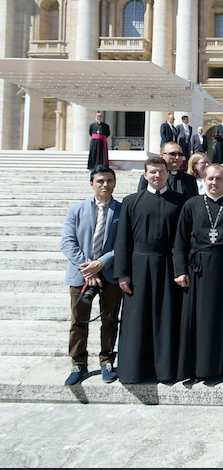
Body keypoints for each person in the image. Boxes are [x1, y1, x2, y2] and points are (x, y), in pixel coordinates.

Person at [173, 164, 223, 380]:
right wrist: (180, 270)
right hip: (197, 270)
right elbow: (180, 241)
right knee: (198, 319)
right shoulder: (191, 205)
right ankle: (197, 367)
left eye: (219, 179)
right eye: (210, 178)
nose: (214, 182)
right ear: (203, 180)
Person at [114, 157, 186, 384]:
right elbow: (122, 240)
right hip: (137, 269)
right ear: (145, 175)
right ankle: (134, 370)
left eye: (161, 172)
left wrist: (180, 269)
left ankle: (164, 371)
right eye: (152, 172)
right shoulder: (131, 201)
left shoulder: (180, 202)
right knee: (136, 319)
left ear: (167, 174)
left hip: (167, 265)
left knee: (166, 317)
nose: (157, 176)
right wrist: (122, 273)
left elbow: (183, 241)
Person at [60, 165, 123, 385]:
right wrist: (86, 268)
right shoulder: (76, 210)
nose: (105, 184)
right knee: (78, 321)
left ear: (114, 183)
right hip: (81, 276)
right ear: (92, 184)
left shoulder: (122, 210)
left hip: (110, 275)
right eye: (100, 181)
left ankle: (107, 360)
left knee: (110, 319)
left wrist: (100, 263)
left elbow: (124, 244)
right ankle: (78, 363)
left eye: (109, 180)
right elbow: (67, 242)